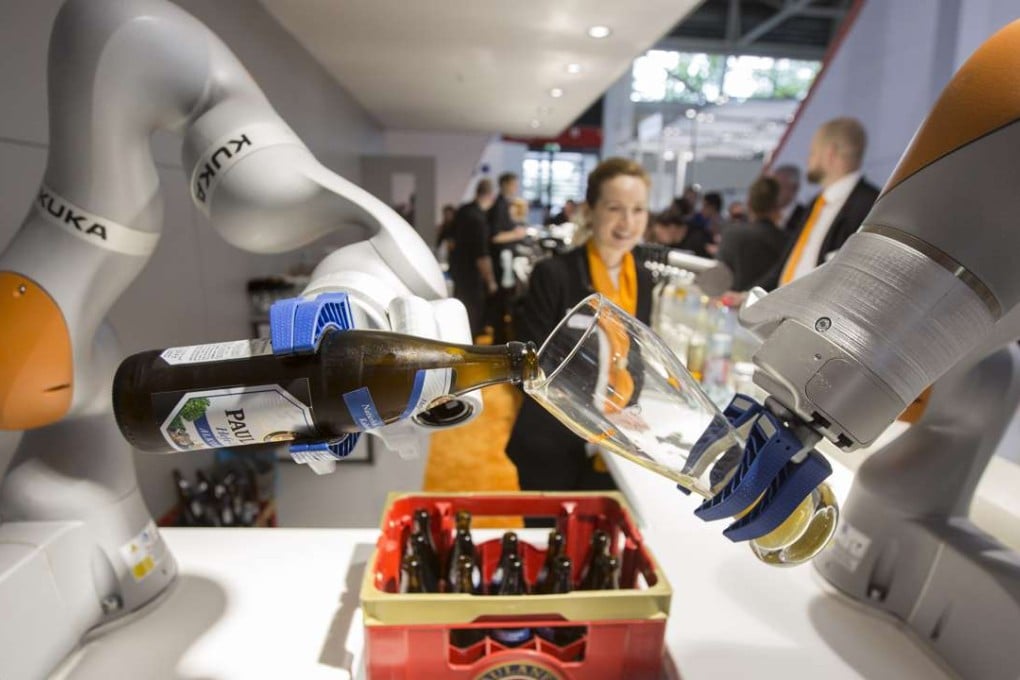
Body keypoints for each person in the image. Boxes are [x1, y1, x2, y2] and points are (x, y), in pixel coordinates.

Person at [506, 158, 655, 495]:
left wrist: (629, 411)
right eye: (615, 208)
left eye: (638, 210)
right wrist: (593, 417)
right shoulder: (555, 275)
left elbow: (638, 350)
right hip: (552, 443)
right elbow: (528, 368)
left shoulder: (642, 279)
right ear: (590, 210)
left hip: (613, 442)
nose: (627, 223)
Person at [775, 117, 879, 286]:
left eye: (812, 153)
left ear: (829, 153)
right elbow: (787, 263)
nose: (808, 161)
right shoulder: (816, 203)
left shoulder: (869, 206)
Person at [716, 176, 789, 292]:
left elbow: (718, 276)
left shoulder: (731, 233)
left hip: (728, 303)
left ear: (749, 204)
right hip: (765, 305)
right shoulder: (785, 241)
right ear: (777, 206)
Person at [448, 180, 498, 338]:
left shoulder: (463, 211)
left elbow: (450, 240)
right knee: (472, 320)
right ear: (490, 196)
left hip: (458, 272)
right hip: (472, 277)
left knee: (459, 315)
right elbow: (482, 255)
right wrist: (490, 281)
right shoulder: (479, 219)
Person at [486, 172, 527, 341]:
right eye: (514, 184)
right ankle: (501, 340)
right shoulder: (499, 206)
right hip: (501, 262)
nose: (516, 188)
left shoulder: (503, 204)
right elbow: (494, 236)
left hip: (504, 261)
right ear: (506, 184)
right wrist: (516, 235)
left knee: (504, 301)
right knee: (502, 302)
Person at [648, 208, 712, 257]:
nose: (659, 239)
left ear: (672, 227)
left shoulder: (699, 237)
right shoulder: (668, 248)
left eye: (660, 234)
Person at [771, 164, 805, 231]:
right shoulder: (762, 212)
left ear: (794, 188)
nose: (775, 191)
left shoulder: (805, 215)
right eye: (772, 186)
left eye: (781, 186)